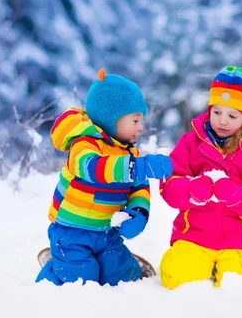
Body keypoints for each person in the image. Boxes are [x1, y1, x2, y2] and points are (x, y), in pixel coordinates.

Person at [36, 68, 172, 286]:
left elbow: (139, 187)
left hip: (107, 234)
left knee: (120, 277)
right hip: (72, 233)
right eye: (135, 120)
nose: (141, 126)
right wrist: (138, 167)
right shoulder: (84, 144)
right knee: (82, 281)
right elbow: (93, 169)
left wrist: (139, 212)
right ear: (112, 119)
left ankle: (118, 264)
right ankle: (57, 265)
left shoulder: (129, 153)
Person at [159, 66, 242, 289]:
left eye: (232, 115)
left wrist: (241, 196)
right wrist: (191, 190)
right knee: (178, 277)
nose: (222, 121)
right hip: (194, 238)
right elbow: (169, 184)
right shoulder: (190, 144)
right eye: (217, 112)